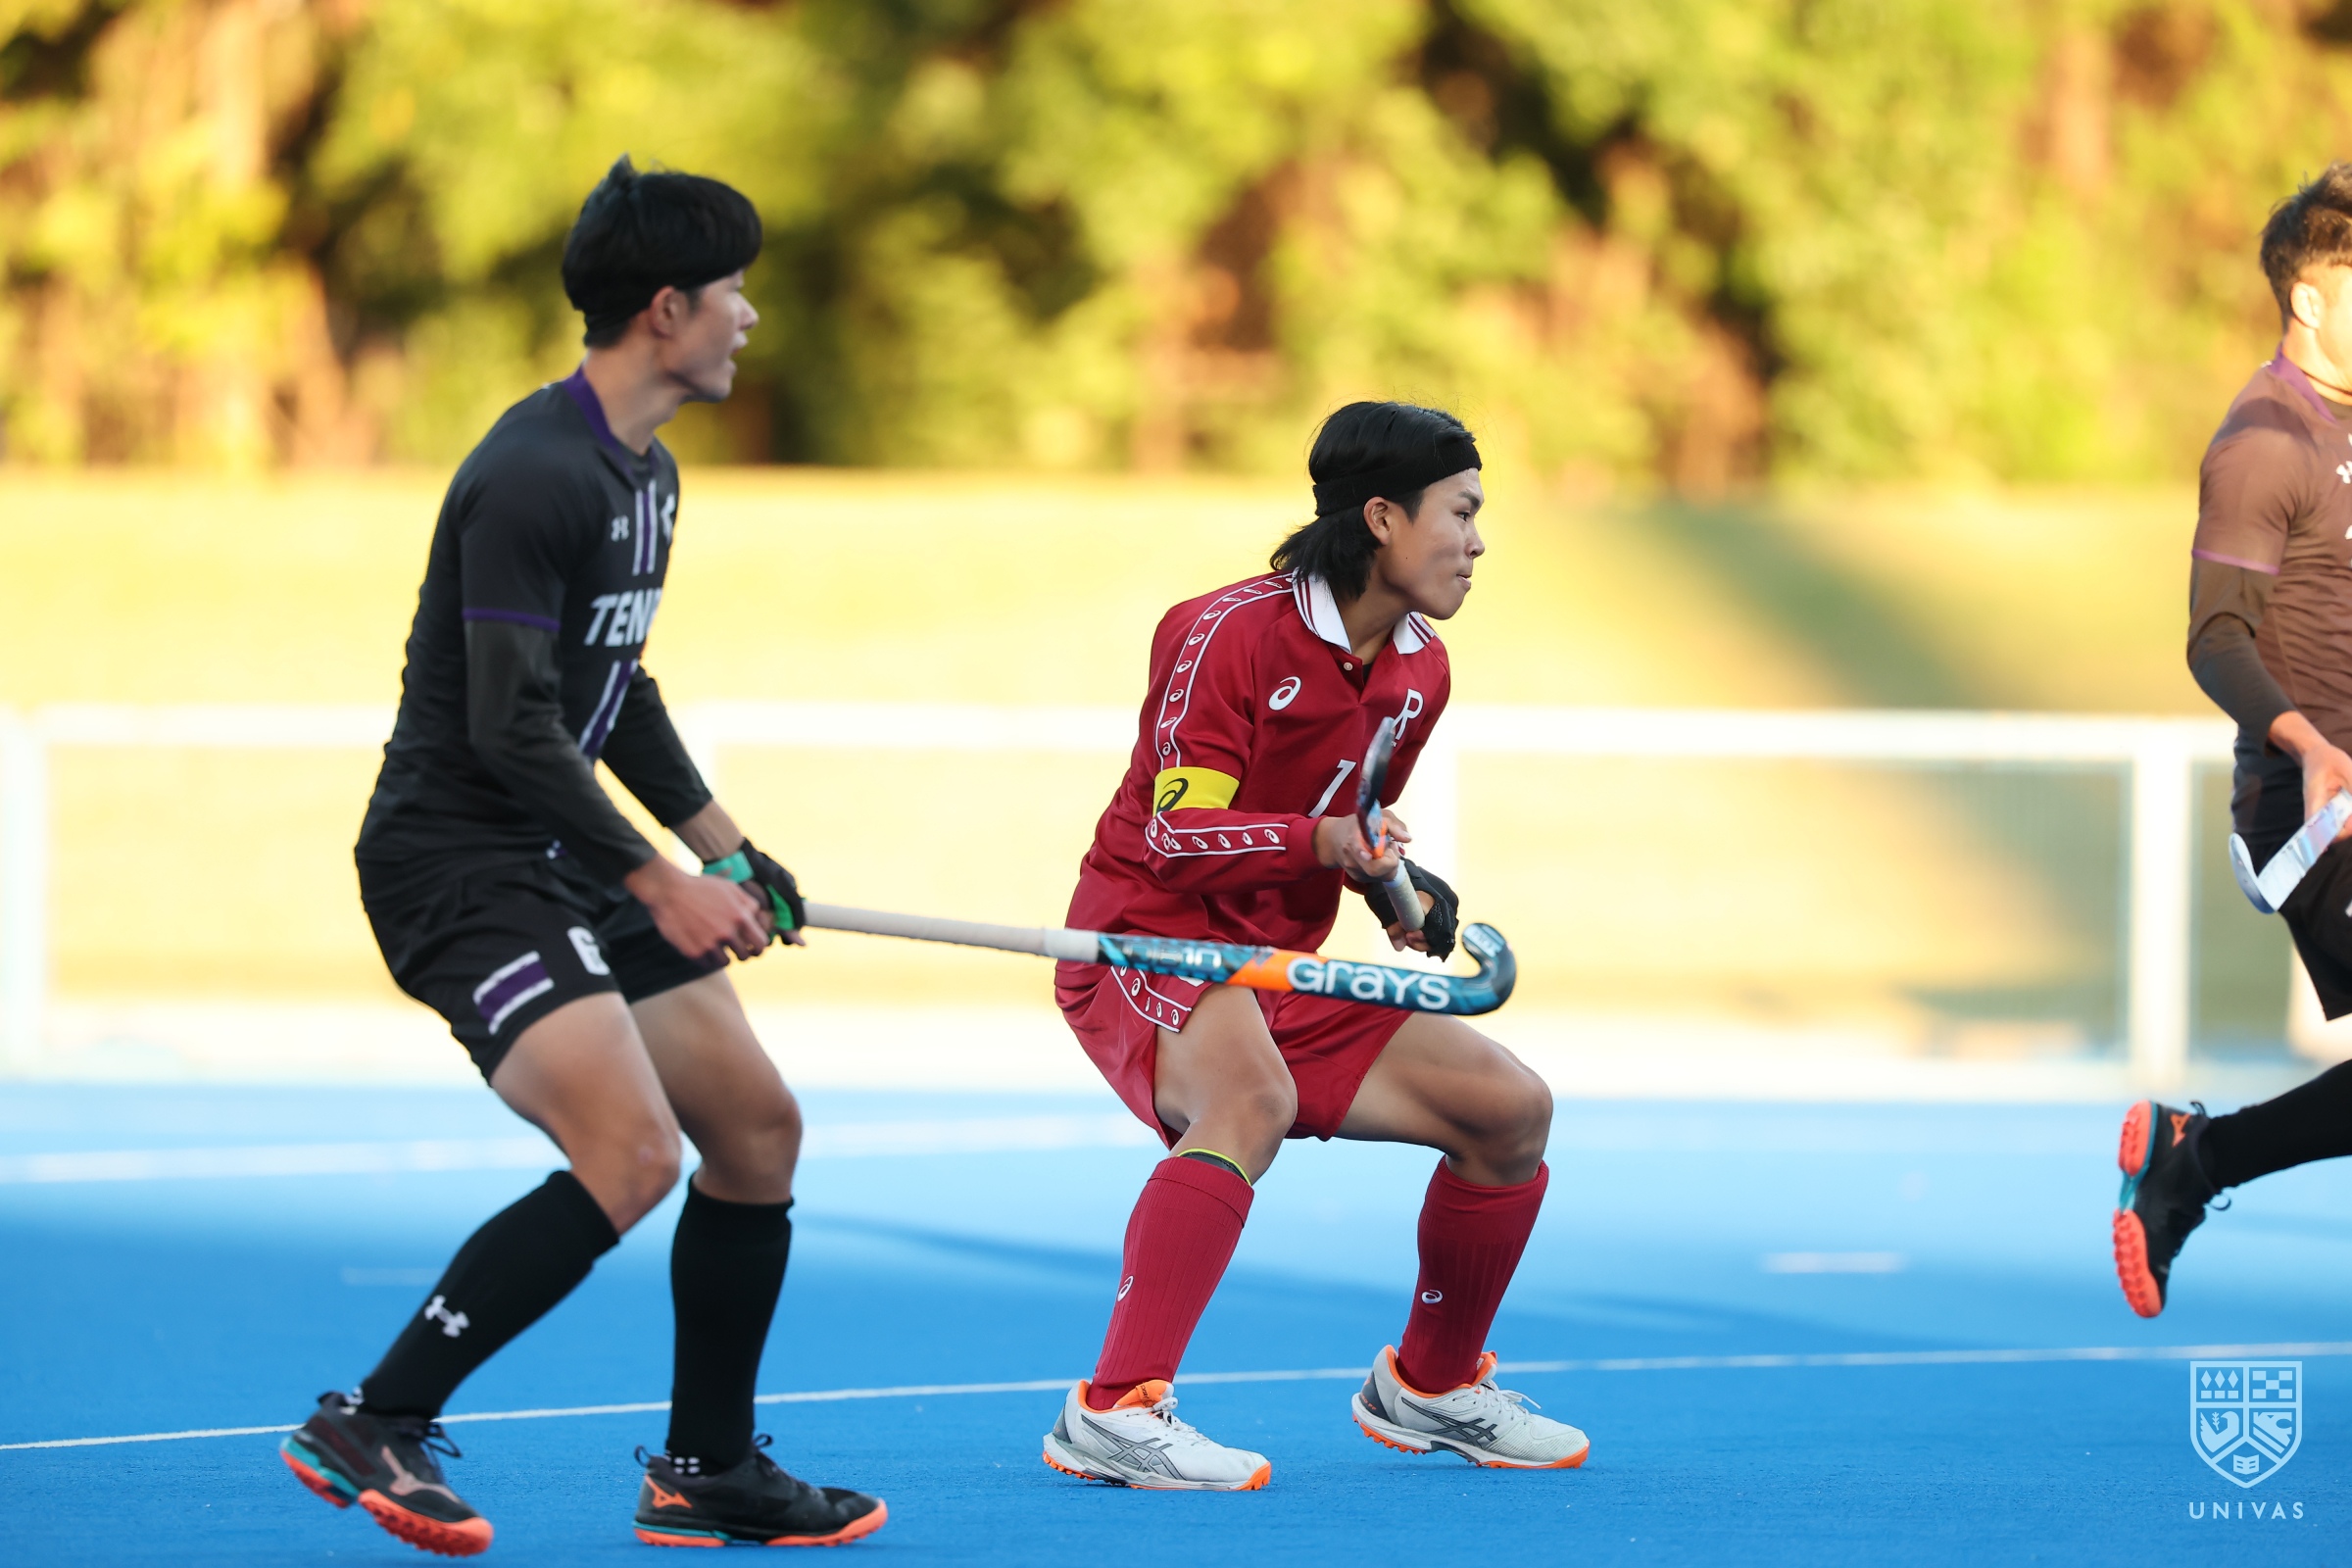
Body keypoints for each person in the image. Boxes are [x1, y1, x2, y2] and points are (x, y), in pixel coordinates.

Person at [275, 158, 885, 1551]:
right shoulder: (534, 472)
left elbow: (618, 685)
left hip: (570, 852)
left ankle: (706, 1469)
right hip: (460, 863)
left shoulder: (647, 474)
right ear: (666, 309)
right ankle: (375, 1417)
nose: (748, 316)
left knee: (757, 1131)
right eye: (732, 291)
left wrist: (729, 849)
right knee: (631, 1152)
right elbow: (509, 724)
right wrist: (658, 880)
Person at [1038, 401, 1589, 1490]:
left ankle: (1431, 1386)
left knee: (1509, 1112)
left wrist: (1394, 889)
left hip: (1277, 966)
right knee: (1252, 1101)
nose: (1478, 542)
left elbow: (1352, 825)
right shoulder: (1224, 632)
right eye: (1461, 512)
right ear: (1382, 518)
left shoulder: (1422, 671)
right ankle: (1114, 1408)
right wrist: (1323, 839)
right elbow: (1176, 837)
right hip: (1152, 940)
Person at [2116, 164, 2352, 1318]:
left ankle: (2193, 1157)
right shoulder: (2263, 440)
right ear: (2309, 298)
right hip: (2314, 810)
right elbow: (2216, 640)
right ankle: (2194, 1162)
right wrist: (2310, 744)